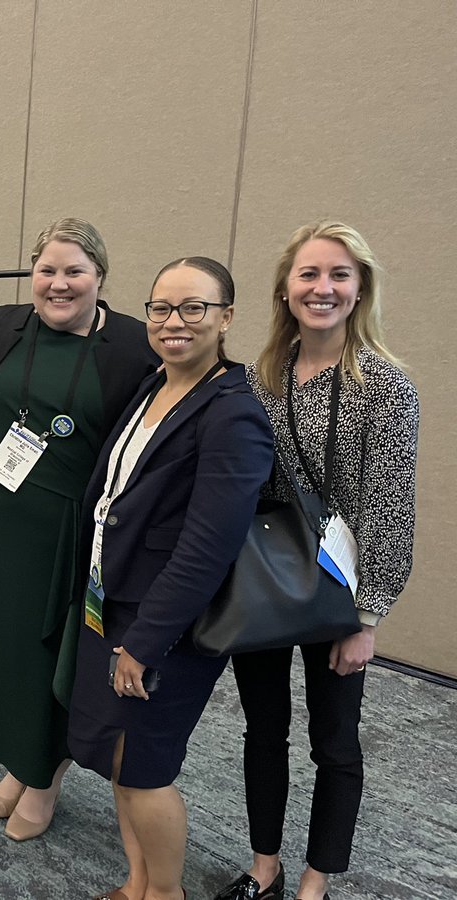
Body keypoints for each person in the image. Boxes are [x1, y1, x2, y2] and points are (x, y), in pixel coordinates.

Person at [214, 223, 419, 900]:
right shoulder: (254, 379)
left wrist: (369, 615)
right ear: (285, 288)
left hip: (341, 591)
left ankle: (315, 877)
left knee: (335, 741)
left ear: (360, 289)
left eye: (338, 274)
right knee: (263, 730)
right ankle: (265, 864)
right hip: (266, 578)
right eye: (308, 274)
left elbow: (390, 509)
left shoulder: (387, 388)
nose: (322, 288)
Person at [0, 218, 156, 841]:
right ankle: (19, 762)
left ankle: (44, 779)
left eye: (74, 272)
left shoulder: (133, 347)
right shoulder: (3, 324)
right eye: (47, 270)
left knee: (50, 658)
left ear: (100, 279)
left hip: (70, 532)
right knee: (0, 651)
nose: (58, 284)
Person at [68, 257, 274, 900]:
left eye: (194, 308)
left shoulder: (232, 412)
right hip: (115, 600)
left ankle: (165, 894)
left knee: (146, 769)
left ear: (227, 318)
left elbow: (207, 546)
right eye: (160, 308)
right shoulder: (155, 384)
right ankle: (138, 884)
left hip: (166, 624)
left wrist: (146, 640)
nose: (173, 321)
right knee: (119, 760)